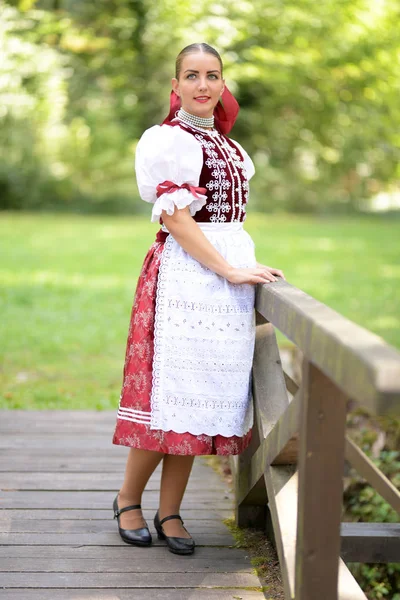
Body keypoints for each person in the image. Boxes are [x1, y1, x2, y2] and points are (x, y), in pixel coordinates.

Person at [112, 42, 285, 556]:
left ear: (222, 83)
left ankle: (170, 512)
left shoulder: (231, 147)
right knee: (169, 396)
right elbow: (177, 218)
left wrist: (239, 266)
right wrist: (229, 267)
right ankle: (127, 499)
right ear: (176, 85)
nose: (203, 85)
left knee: (202, 401)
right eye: (192, 75)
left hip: (223, 282)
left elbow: (228, 220)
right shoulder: (167, 140)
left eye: (213, 75)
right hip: (187, 277)